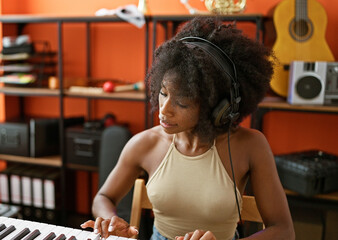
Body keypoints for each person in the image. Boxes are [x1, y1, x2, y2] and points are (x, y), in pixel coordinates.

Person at [81, 17, 295, 240]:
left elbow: (283, 230)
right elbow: (103, 197)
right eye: (163, 93)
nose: (164, 110)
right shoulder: (145, 143)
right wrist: (109, 219)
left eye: (182, 103)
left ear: (217, 106)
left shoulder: (250, 146)